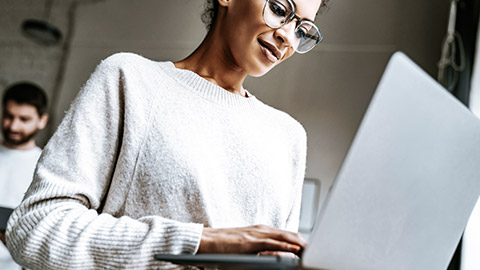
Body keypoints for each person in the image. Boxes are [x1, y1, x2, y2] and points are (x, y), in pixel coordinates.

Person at [6, 0, 328, 269]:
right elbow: (35, 227)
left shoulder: (289, 138)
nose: (287, 35)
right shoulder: (129, 80)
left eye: (302, 30)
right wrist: (199, 243)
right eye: (278, 8)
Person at [0, 82, 48, 270]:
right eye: (9, 116)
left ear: (42, 120)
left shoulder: (46, 169)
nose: (14, 125)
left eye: (24, 119)